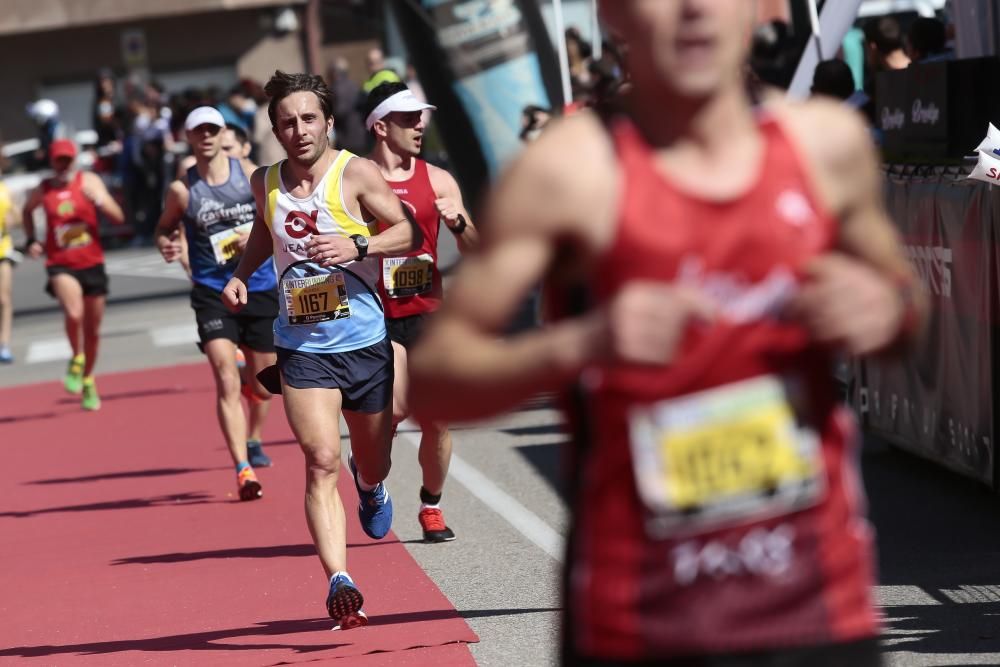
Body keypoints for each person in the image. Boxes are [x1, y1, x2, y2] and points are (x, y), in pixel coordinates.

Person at [409, 1, 927, 665]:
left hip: (819, 609)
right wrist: (585, 341)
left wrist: (886, 310)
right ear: (616, 13)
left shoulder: (826, 146)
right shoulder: (570, 171)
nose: (692, 10)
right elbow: (435, 385)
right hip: (641, 623)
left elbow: (906, 304)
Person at [221, 70, 416, 629]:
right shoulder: (266, 182)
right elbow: (265, 233)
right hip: (302, 346)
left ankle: (372, 482)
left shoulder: (356, 172)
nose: (299, 129)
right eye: (287, 122)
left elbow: (407, 232)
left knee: (369, 459)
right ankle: (340, 579)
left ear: (328, 121)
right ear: (275, 130)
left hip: (364, 341)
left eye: (309, 118)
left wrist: (358, 243)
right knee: (320, 461)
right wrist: (241, 274)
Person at [363, 82, 478, 543]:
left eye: (421, 117)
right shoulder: (357, 179)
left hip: (429, 311)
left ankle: (431, 504)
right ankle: (370, 478)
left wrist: (458, 222)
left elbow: (478, 250)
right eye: (409, 119)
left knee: (437, 420)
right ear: (380, 126)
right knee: (397, 408)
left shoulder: (439, 180)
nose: (420, 126)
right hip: (375, 312)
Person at [155, 107, 276, 501]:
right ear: (188, 138)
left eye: (212, 129)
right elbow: (164, 227)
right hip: (212, 291)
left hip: (258, 285)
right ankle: (243, 469)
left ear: (223, 132)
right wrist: (167, 243)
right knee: (225, 377)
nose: (206, 136)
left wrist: (255, 237)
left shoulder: (252, 174)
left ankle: (250, 384)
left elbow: (278, 218)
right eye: (198, 131)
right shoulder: (183, 189)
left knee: (264, 385)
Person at [22, 139, 125, 410]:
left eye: (68, 160)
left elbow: (118, 217)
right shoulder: (43, 189)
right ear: (52, 162)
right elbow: (26, 211)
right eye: (59, 160)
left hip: (92, 263)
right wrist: (32, 239)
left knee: (92, 331)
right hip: (60, 263)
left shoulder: (88, 181)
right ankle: (76, 358)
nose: (64, 166)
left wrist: (100, 201)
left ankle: (89, 378)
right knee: (74, 313)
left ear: (75, 161)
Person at [0, 171, 21, 363]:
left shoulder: (6, 191)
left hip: (2, 251)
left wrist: (13, 219)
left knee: (4, 298)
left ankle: (4, 344)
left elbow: (19, 218)